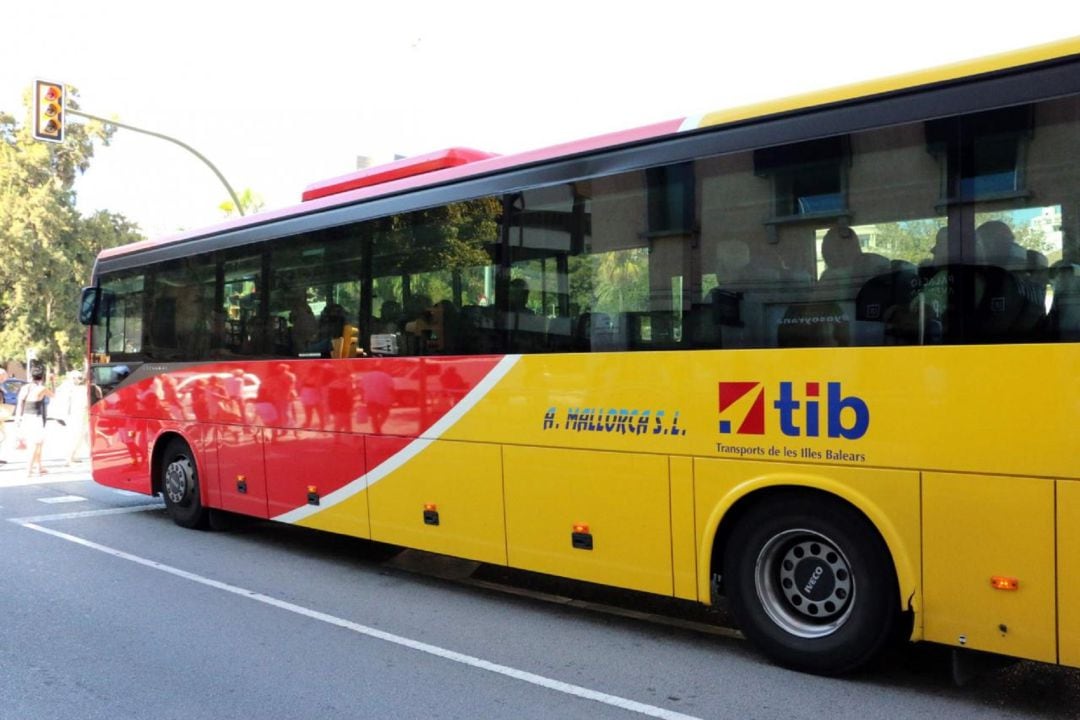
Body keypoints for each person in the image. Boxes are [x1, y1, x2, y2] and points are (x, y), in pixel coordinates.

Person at [16, 365, 54, 477]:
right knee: (36, 444)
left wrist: (18, 418)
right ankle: (29, 469)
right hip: (36, 418)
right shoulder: (41, 388)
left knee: (39, 443)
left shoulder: (25, 388)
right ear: (42, 377)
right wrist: (52, 381)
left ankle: (39, 467)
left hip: (26, 417)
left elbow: (20, 404)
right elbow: (53, 395)